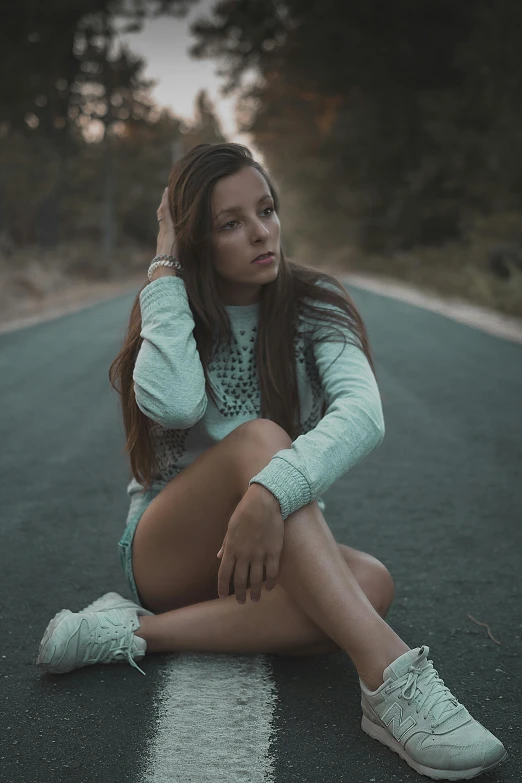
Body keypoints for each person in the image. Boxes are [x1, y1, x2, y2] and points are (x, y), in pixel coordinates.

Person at [36, 143, 507, 780]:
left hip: (263, 549)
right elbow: (173, 407)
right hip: (169, 550)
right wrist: (164, 266)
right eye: (230, 224)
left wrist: (268, 496)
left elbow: (364, 414)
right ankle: (390, 684)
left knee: (372, 586)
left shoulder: (312, 306)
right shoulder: (171, 308)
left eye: (266, 209)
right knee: (261, 438)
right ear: (195, 240)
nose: (262, 232)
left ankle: (132, 633)